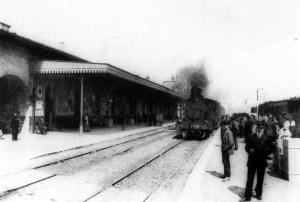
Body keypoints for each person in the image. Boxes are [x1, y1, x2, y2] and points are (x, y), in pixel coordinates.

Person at [241, 122, 276, 201]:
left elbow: (273, 148)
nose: (260, 130)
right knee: (250, 179)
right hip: (252, 161)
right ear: (257, 128)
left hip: (261, 161)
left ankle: (259, 194)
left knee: (260, 179)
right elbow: (246, 147)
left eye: (262, 128)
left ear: (264, 129)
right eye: (259, 128)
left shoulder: (266, 139)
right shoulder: (251, 137)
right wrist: (249, 150)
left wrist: (265, 153)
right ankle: (247, 196)